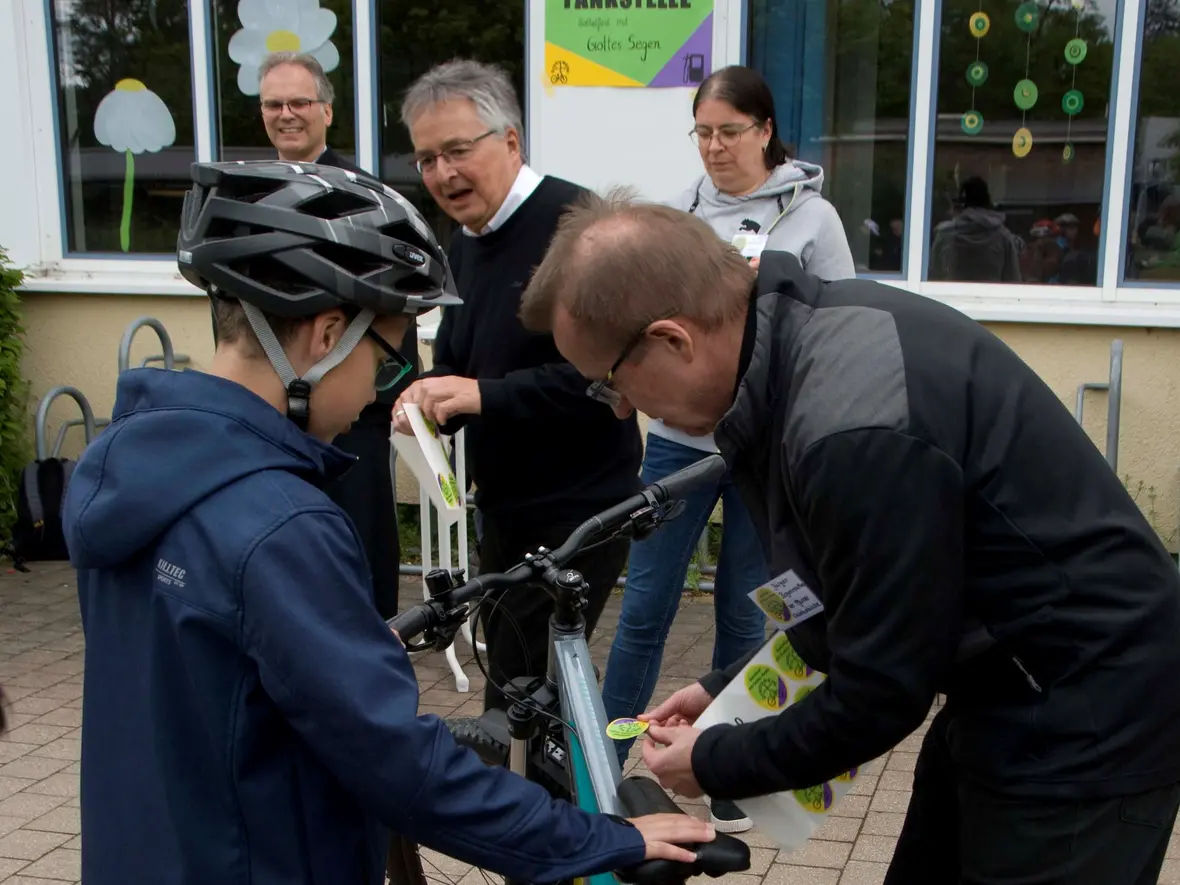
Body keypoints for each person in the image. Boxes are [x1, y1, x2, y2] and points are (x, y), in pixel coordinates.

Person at [61, 162, 712, 885]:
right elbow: (398, 763)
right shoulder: (280, 525)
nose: (387, 381)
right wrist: (602, 840)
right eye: (390, 350)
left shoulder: (123, 469)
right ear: (326, 333)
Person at [517, 189, 1180, 885]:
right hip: (1006, 687)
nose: (620, 407)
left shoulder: (848, 427)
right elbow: (843, 597)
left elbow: (882, 692)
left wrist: (714, 761)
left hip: (1092, 716)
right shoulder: (786, 354)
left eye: (609, 382)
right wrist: (727, 688)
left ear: (671, 339)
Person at [600, 64, 855, 835]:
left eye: (729, 132)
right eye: (702, 132)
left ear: (766, 130)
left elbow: (840, 324)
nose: (713, 148)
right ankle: (599, 758)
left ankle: (728, 773)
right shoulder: (675, 215)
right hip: (679, 445)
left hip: (764, 449)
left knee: (750, 615)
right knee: (644, 605)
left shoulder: (813, 218)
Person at [391, 59, 643, 712]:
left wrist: (481, 395)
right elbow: (460, 363)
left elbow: (613, 375)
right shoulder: (466, 241)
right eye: (425, 159)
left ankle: (536, 809)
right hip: (504, 507)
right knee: (531, 688)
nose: (442, 174)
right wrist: (428, 403)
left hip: (579, 506)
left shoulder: (579, 225)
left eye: (456, 150)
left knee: (521, 698)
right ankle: (560, 802)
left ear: (510, 141)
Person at [257, 50, 415, 617]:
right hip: (271, 412)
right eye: (273, 104)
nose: (286, 114)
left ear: (327, 110)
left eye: (299, 102)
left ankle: (371, 660)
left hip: (352, 413)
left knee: (358, 552)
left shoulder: (367, 197)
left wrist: (383, 393)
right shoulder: (246, 200)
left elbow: (399, 304)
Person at [930, 176, 1022, 282]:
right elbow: (1013, 281)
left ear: (963, 203)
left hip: (951, 297)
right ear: (988, 201)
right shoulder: (1003, 237)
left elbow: (933, 277)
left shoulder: (945, 235)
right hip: (992, 297)